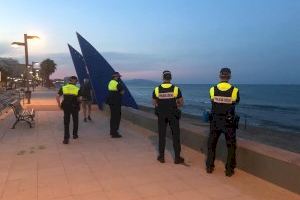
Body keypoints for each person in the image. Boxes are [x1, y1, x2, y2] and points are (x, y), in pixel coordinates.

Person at [206, 67, 240, 177]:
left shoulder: (212, 89)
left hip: (215, 121)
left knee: (212, 144)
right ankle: (229, 170)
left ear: (220, 76)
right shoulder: (235, 90)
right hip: (229, 122)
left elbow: (212, 100)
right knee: (231, 146)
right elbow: (236, 102)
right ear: (229, 77)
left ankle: (209, 166)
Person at [152, 70, 185, 164]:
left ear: (163, 78)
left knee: (162, 135)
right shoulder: (176, 89)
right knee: (176, 136)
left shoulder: (157, 89)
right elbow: (181, 103)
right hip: (173, 115)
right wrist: (175, 104)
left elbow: (154, 103)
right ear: (170, 78)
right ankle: (177, 158)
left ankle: (161, 157)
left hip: (161, 115)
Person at [56, 76, 81, 144]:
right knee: (75, 120)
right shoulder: (77, 88)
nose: (76, 82)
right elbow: (80, 99)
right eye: (76, 81)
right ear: (74, 81)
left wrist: (59, 104)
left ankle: (66, 139)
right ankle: (75, 135)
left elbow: (57, 96)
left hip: (66, 106)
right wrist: (79, 102)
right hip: (75, 107)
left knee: (66, 122)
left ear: (69, 81)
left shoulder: (64, 87)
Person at [106, 72, 124, 138]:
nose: (119, 78)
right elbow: (122, 92)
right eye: (119, 76)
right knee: (117, 117)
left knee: (113, 117)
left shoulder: (110, 82)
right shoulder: (117, 83)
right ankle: (115, 133)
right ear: (116, 77)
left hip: (111, 102)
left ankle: (112, 131)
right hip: (116, 102)